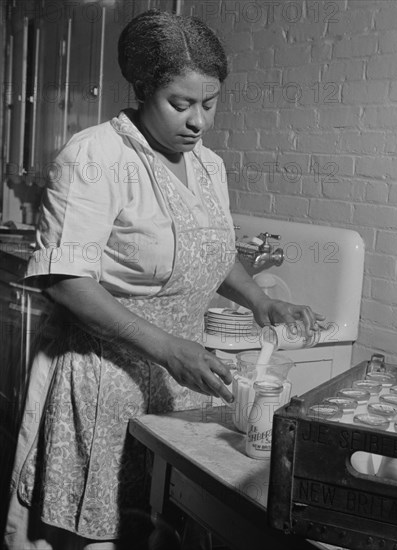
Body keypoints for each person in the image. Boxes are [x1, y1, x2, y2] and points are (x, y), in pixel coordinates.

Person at [4, 10, 323, 550]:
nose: (198, 120)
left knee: (167, 527)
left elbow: (211, 253)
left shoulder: (208, 165)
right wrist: (167, 348)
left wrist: (258, 301)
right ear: (143, 89)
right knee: (97, 532)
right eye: (181, 104)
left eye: (210, 102)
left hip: (179, 377)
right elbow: (65, 281)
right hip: (103, 377)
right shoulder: (94, 157)